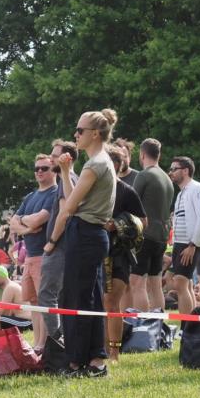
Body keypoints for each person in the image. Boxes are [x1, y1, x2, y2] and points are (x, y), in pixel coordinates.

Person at [44, 109, 118, 378]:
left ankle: (78, 361)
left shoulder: (95, 164)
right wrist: (66, 172)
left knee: (77, 299)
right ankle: (93, 359)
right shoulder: (98, 162)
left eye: (80, 130)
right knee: (88, 299)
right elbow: (72, 198)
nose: (75, 135)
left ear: (95, 134)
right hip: (89, 235)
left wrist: (52, 240)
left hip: (86, 234)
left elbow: (69, 206)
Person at [6, 154, 59, 349]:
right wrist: (28, 228)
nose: (39, 172)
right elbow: (13, 223)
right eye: (37, 168)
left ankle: (48, 347)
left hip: (45, 255)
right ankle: (38, 345)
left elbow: (38, 220)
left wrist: (25, 221)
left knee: (45, 303)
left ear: (54, 170)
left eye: (44, 168)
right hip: (29, 256)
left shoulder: (55, 193)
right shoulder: (30, 196)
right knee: (34, 303)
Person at [103, 145, 147, 360]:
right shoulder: (93, 189)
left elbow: (143, 221)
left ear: (116, 165)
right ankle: (100, 350)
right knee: (99, 304)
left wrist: (119, 223)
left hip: (119, 253)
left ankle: (114, 353)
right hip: (96, 252)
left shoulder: (127, 191)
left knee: (112, 302)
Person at [38, 140, 79, 343]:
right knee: (62, 297)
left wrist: (52, 242)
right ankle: (64, 340)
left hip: (60, 247)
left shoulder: (66, 180)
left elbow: (64, 214)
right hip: (68, 247)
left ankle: (57, 341)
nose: (51, 159)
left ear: (67, 158)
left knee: (46, 295)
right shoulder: (74, 179)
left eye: (55, 156)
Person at [130, 139, 175, 312]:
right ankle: (157, 325)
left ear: (142, 154)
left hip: (145, 236)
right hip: (161, 237)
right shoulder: (167, 179)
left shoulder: (144, 175)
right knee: (155, 285)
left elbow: (132, 204)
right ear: (159, 155)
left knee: (137, 283)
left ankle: (141, 325)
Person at [167, 157, 200, 315]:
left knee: (180, 283)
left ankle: (187, 325)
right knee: (186, 284)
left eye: (174, 169)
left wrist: (193, 245)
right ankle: (190, 324)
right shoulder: (181, 193)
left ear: (185, 171)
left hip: (190, 243)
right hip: (180, 243)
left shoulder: (197, 189)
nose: (170, 172)